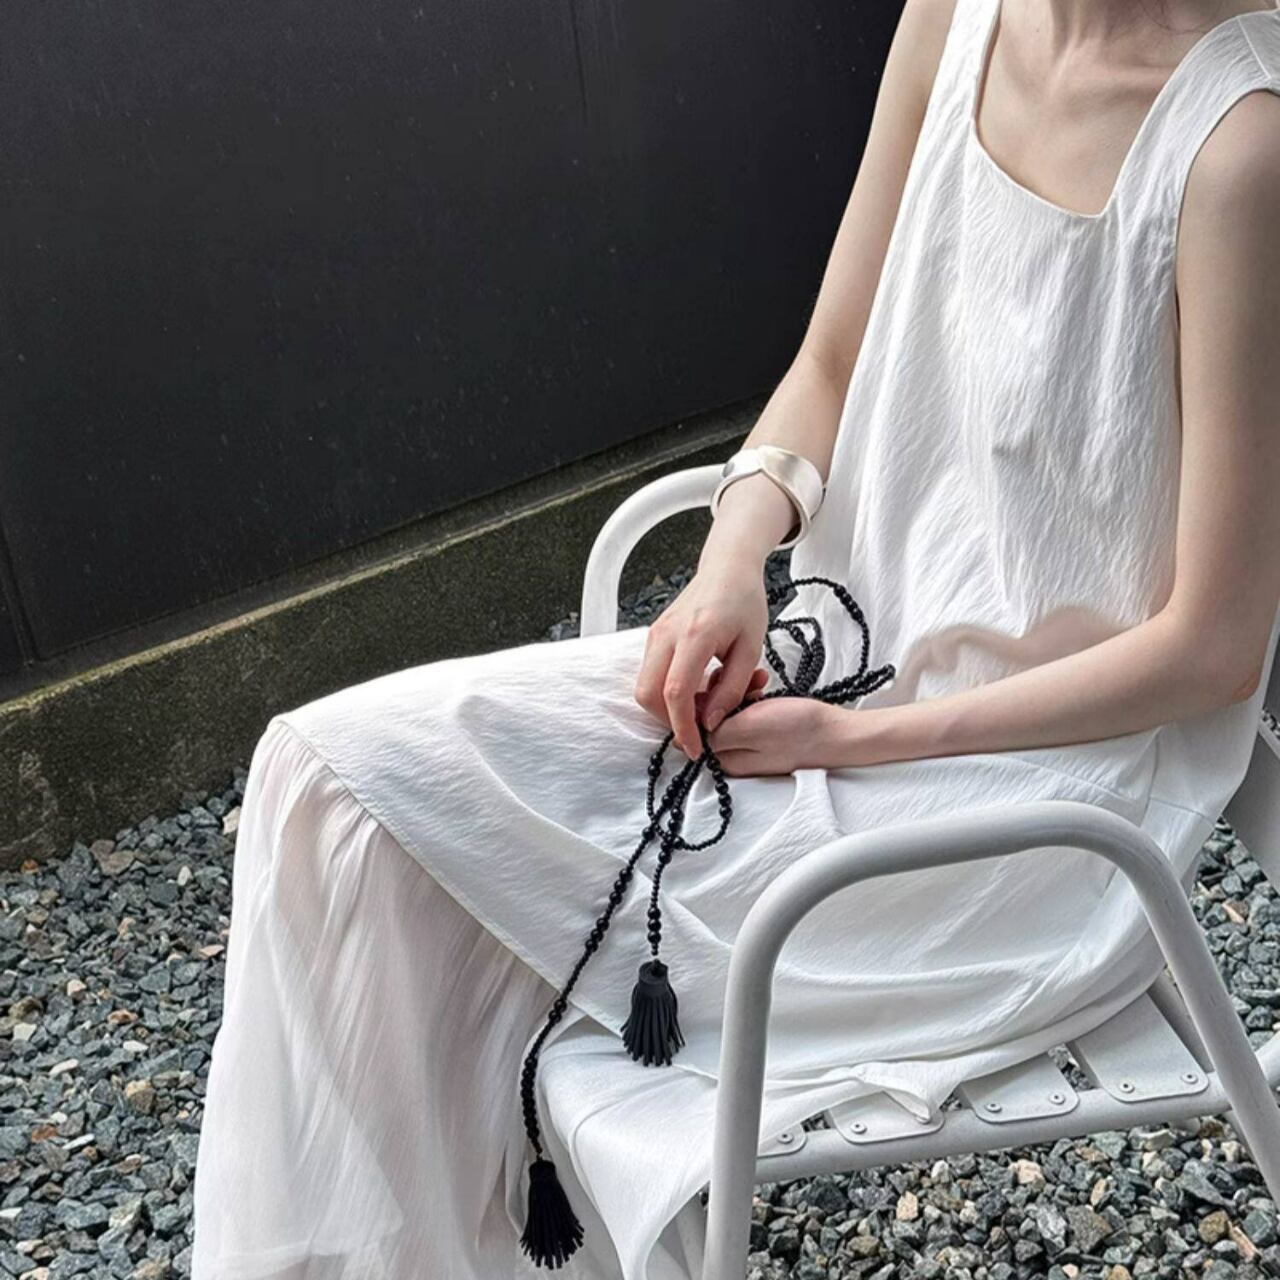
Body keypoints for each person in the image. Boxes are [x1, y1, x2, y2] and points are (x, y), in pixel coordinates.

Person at [191, 0, 1280, 1276]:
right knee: (326, 787)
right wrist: (730, 557)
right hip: (841, 669)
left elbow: (1211, 646)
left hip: (1022, 826)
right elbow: (827, 364)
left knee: (405, 862)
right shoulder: (952, 19)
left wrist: (856, 742)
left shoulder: (1237, 147)